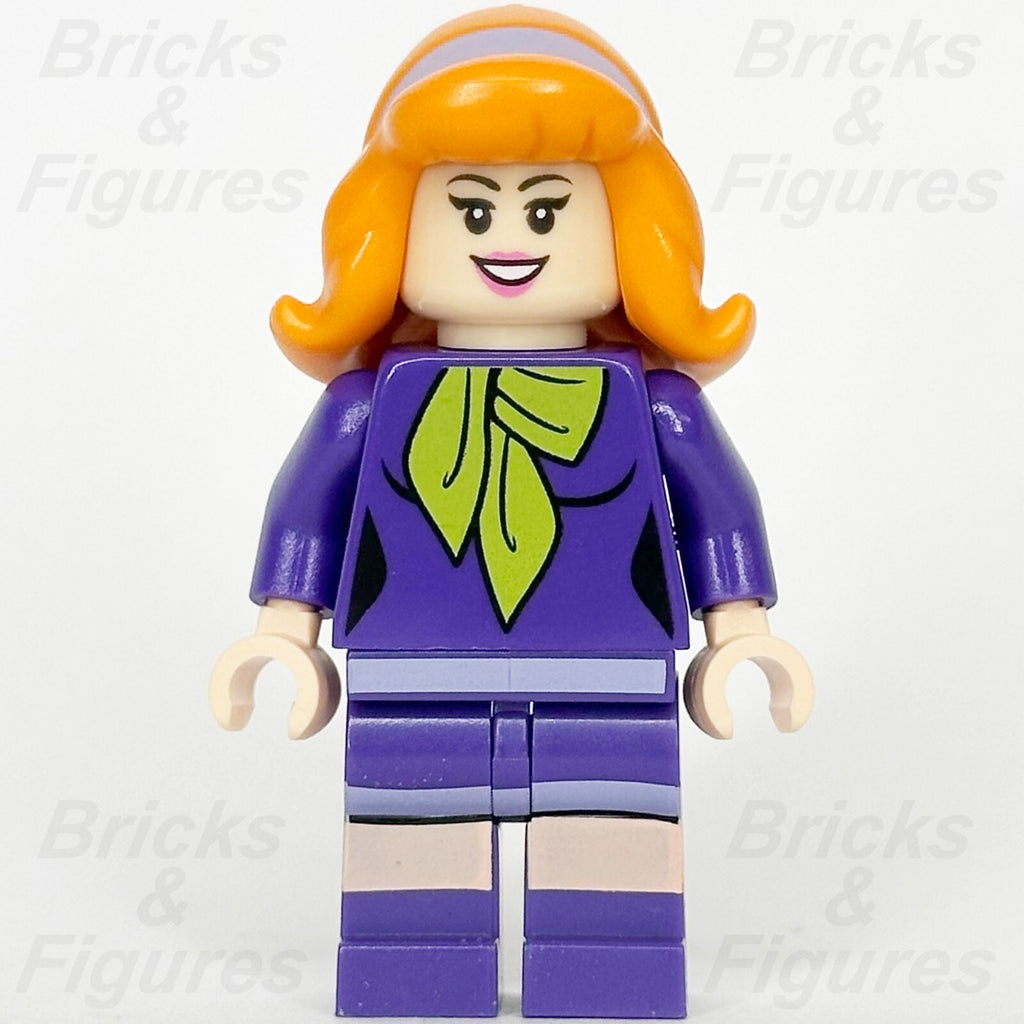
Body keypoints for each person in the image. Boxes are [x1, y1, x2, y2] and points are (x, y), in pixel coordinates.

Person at [209, 7, 814, 1018]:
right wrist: (284, 632)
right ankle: (416, 976)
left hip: (609, 672)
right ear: (392, 229)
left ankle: (607, 977)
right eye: (469, 210)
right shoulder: (370, 403)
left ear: (631, 228)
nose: (506, 242)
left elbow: (718, 509)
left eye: (546, 213)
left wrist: (740, 632)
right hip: (413, 669)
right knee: (413, 844)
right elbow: (307, 504)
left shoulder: (653, 402)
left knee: (611, 841)